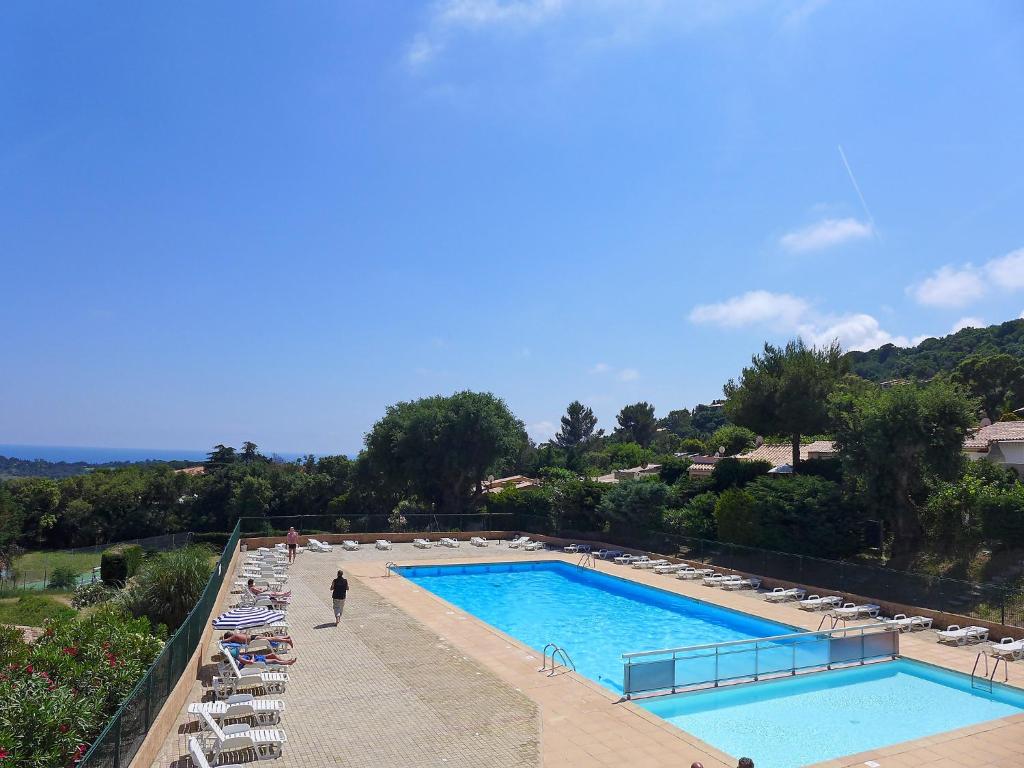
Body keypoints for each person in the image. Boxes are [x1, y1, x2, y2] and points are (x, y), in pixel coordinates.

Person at [221, 630, 293, 649]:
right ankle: (286, 638)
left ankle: (287, 640)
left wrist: (221, 641)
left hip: (253, 639)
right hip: (253, 637)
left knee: (271, 639)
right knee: (271, 639)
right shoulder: (237, 634)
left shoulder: (234, 636)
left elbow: (225, 641)